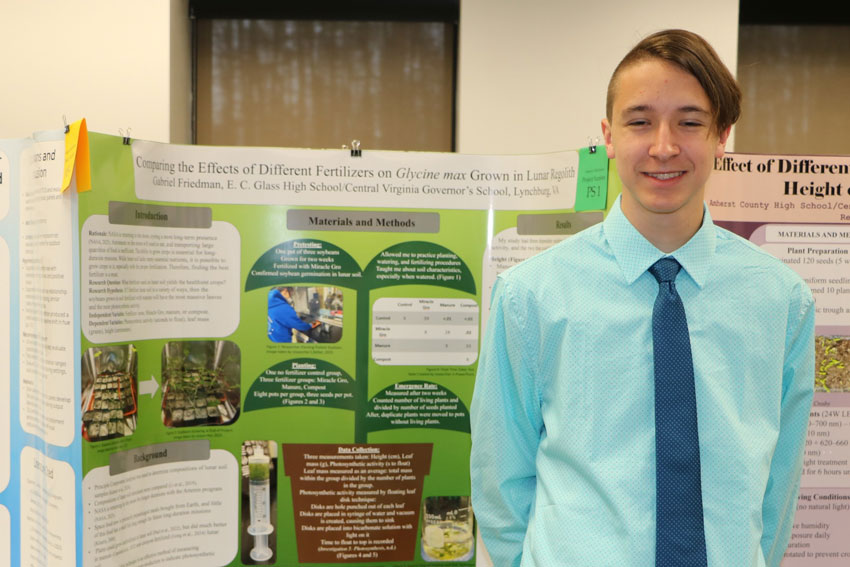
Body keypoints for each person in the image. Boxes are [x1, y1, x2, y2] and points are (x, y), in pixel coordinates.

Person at [470, 29, 814, 567]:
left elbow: (778, 487)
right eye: (639, 121)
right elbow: (500, 485)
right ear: (608, 135)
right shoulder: (531, 296)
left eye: (690, 121)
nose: (663, 145)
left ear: (723, 135)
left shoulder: (780, 300)